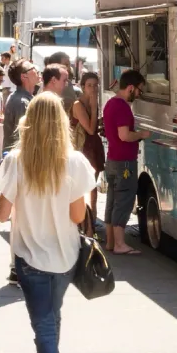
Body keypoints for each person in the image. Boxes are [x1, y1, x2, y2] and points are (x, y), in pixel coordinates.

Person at [0, 92, 96, 353]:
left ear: (29, 122)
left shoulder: (15, 160)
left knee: (44, 327)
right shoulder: (75, 161)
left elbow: (0, 215)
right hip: (66, 257)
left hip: (29, 256)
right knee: (52, 317)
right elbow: (78, 217)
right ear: (62, 122)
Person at [1, 58, 41, 285]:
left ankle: (19, 266)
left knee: (22, 219)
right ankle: (19, 267)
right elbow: (27, 137)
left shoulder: (25, 99)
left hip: (19, 164)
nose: (37, 71)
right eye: (32, 69)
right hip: (21, 166)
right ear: (24, 76)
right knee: (21, 220)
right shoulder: (22, 102)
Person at [103, 70, 150, 255]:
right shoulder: (122, 107)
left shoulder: (110, 103)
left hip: (113, 160)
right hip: (125, 163)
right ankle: (120, 244)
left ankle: (110, 242)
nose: (138, 95)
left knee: (112, 200)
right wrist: (141, 135)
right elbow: (124, 135)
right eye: (139, 90)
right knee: (123, 201)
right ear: (130, 87)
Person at [71, 72, 105, 234]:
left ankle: (92, 222)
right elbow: (90, 129)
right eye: (89, 85)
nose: (93, 88)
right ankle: (85, 225)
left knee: (93, 188)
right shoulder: (79, 104)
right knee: (84, 188)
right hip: (83, 150)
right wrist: (93, 106)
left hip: (94, 148)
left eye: (96, 85)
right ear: (82, 86)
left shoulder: (94, 102)